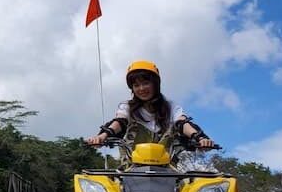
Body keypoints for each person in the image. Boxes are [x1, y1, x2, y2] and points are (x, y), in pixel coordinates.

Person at [86, 60, 215, 149]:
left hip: (167, 169)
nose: (141, 88)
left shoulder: (171, 107)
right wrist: (102, 136)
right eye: (136, 85)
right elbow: (120, 121)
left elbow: (182, 123)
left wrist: (200, 138)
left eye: (146, 83)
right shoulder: (127, 106)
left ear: (155, 84)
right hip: (131, 169)